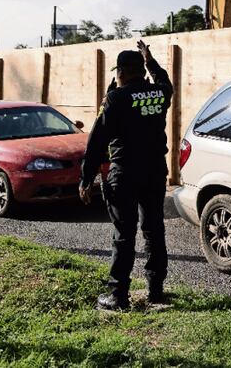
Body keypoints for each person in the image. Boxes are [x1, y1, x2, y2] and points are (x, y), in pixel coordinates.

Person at [79, 39, 173, 310]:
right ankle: (156, 290)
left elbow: (97, 141)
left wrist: (86, 178)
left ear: (120, 72)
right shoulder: (160, 93)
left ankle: (118, 295)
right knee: (154, 230)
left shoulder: (115, 99)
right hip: (155, 172)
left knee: (124, 234)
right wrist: (150, 60)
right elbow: (164, 80)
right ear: (142, 71)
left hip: (126, 174)